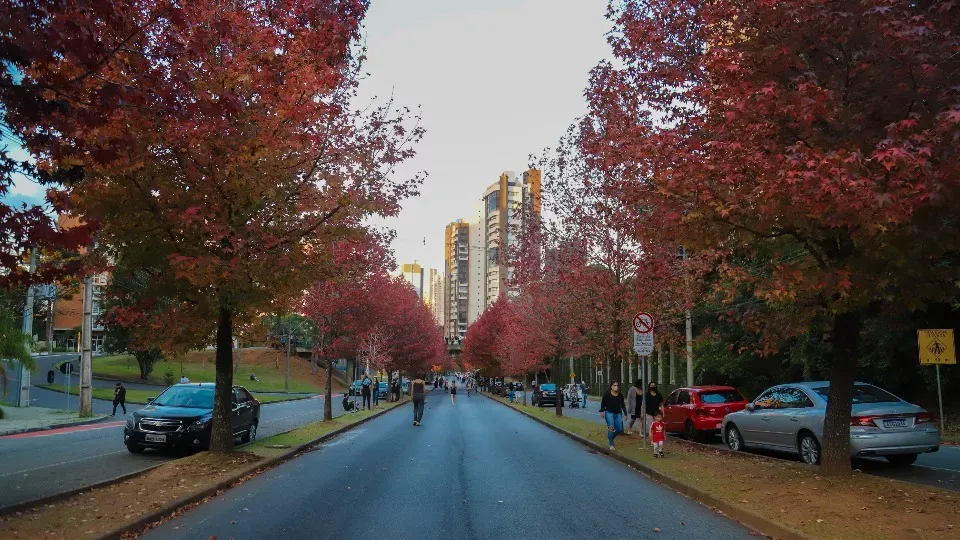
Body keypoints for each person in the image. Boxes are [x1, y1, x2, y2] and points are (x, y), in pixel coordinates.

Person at [599, 381, 627, 451]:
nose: (616, 387)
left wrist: (625, 414)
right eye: (614, 385)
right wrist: (602, 411)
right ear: (611, 386)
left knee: (619, 429)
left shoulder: (620, 395)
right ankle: (611, 444)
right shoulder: (607, 394)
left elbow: (623, 405)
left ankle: (610, 438)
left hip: (618, 414)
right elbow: (603, 403)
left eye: (617, 385)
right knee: (611, 427)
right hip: (609, 413)